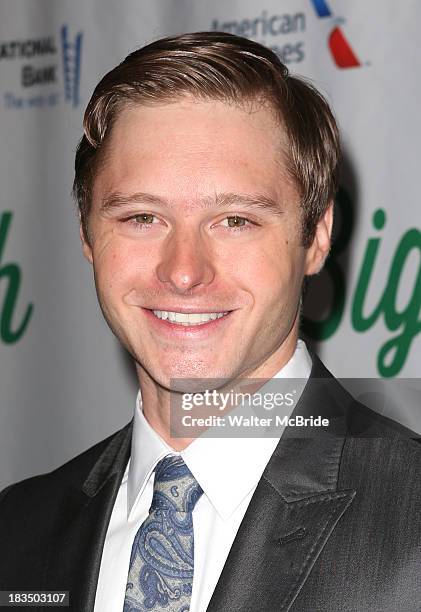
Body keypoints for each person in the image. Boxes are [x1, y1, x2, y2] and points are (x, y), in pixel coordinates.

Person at [0, 31, 420, 612]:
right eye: (143, 216)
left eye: (236, 220)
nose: (183, 272)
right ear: (88, 234)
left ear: (315, 239)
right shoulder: (15, 532)